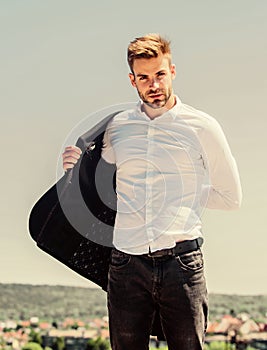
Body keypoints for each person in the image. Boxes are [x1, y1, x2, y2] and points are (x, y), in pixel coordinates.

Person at [62, 34, 242, 350]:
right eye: (144, 77)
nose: (153, 84)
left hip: (182, 264)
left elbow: (231, 197)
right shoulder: (118, 127)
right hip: (126, 265)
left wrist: (183, 195)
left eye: (159, 74)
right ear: (132, 80)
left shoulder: (202, 127)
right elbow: (99, 179)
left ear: (172, 71)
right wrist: (72, 166)